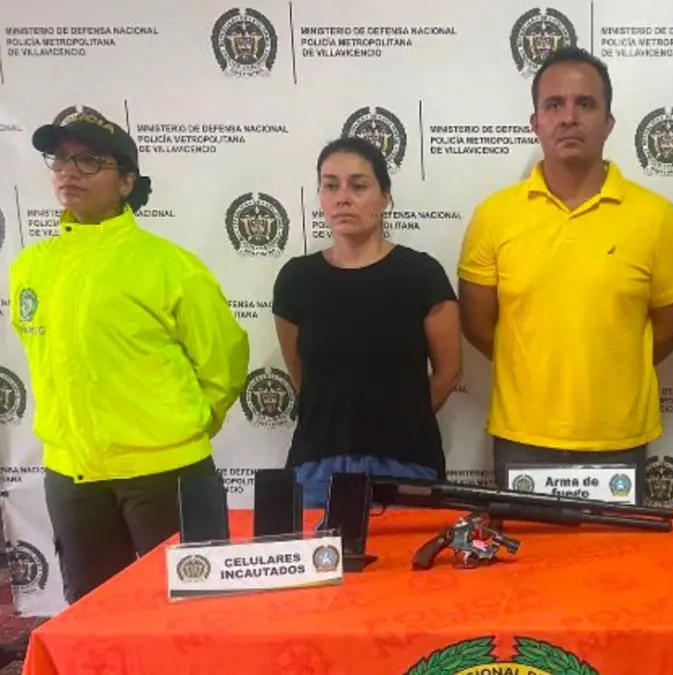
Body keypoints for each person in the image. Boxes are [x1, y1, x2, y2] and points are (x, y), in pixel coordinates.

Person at [9, 113, 249, 604]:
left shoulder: (169, 265)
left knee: (197, 611)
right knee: (95, 614)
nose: (69, 171)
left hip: (166, 472)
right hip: (72, 477)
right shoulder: (30, 267)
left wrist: (186, 427)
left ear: (126, 182)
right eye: (61, 158)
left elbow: (224, 359)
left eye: (89, 161)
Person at [457, 46, 673, 499]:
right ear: (535, 122)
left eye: (585, 104)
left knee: (617, 551)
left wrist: (614, 362)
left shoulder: (656, 217)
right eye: (554, 105)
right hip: (523, 438)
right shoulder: (494, 216)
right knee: (521, 550)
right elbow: (479, 325)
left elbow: (672, 325)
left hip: (618, 440)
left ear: (609, 121)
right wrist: (533, 365)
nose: (569, 117)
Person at [272, 137, 461, 511]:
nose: (343, 198)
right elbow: (301, 376)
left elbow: (449, 372)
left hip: (406, 464)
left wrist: (399, 420)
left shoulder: (421, 275)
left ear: (385, 196)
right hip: (316, 466)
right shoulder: (296, 279)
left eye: (358, 186)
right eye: (331, 186)